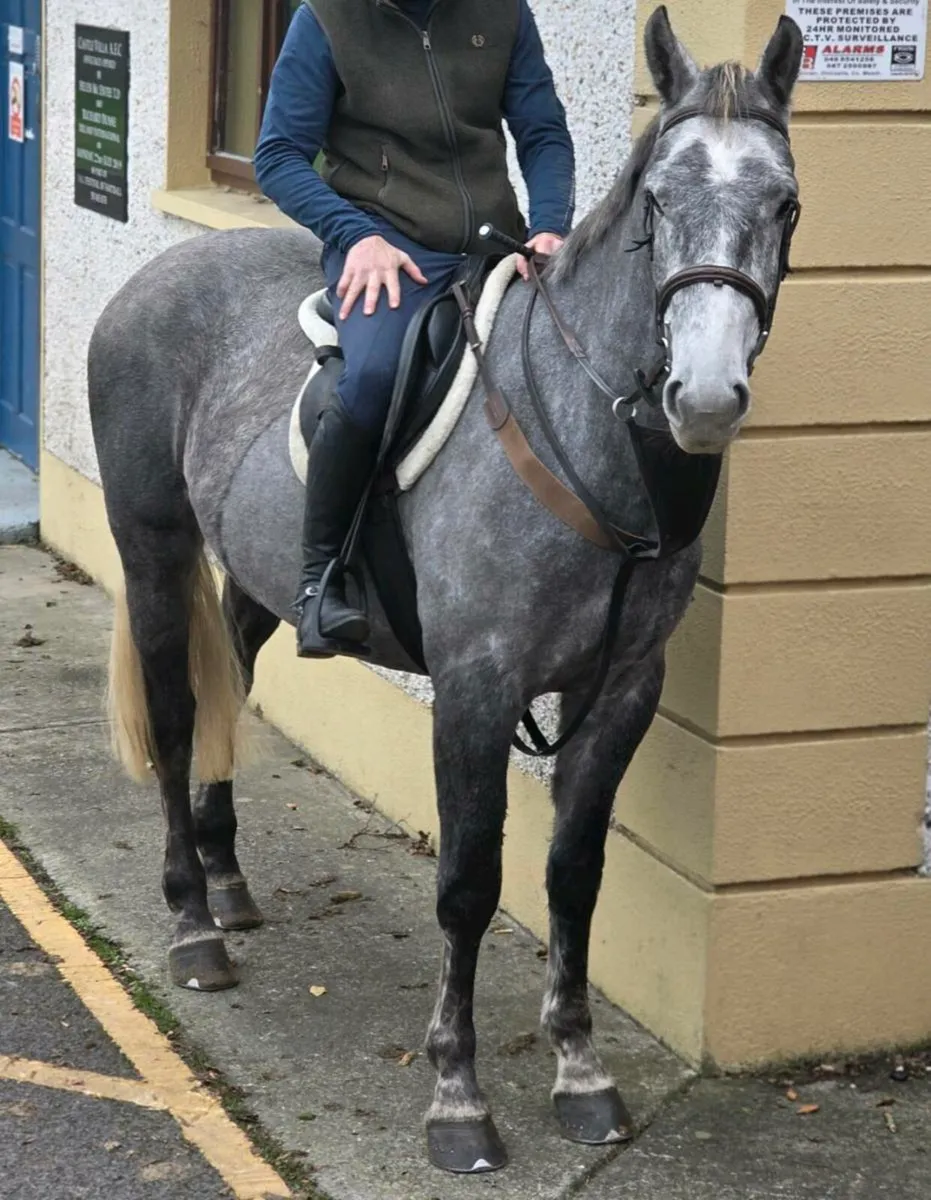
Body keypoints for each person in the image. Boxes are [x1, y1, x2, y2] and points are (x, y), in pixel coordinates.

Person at [255, 0, 575, 658]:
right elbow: (279, 156)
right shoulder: (327, 19)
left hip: (495, 246)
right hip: (386, 248)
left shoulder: (503, 14)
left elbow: (542, 132)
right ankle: (322, 582)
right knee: (369, 382)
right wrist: (358, 236)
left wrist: (548, 222)